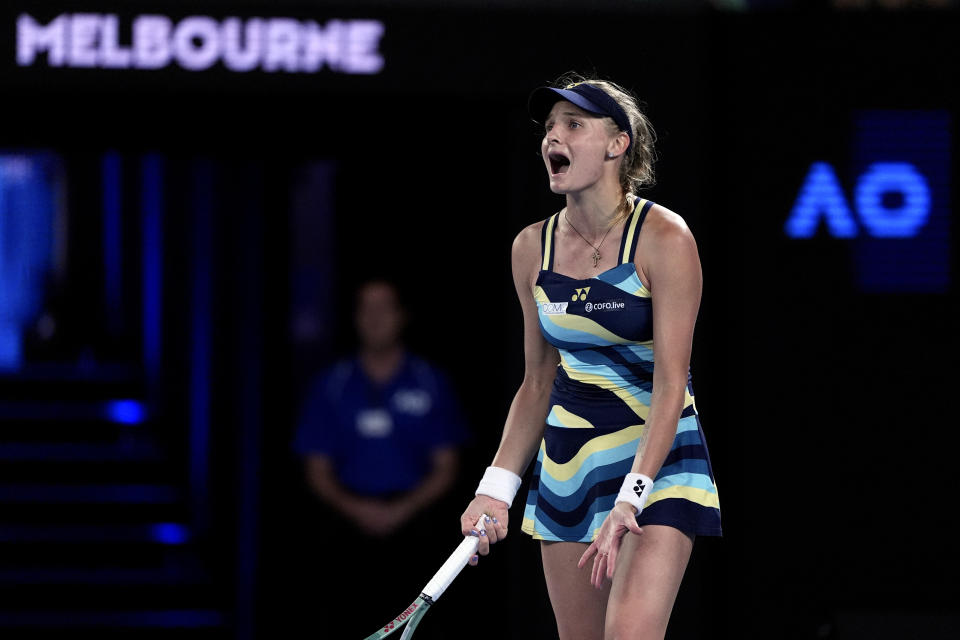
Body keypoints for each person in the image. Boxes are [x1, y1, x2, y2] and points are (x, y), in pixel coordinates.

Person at [460, 75, 721, 640]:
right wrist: (495, 488)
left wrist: (634, 493)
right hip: (571, 465)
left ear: (617, 144)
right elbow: (537, 381)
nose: (554, 137)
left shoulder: (664, 237)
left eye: (574, 125)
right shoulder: (532, 247)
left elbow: (674, 383)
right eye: (549, 128)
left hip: (660, 462)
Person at [295, 277, 467, 539]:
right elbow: (316, 469)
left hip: (416, 523)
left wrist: (402, 509)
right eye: (366, 309)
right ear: (355, 317)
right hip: (343, 524)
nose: (374, 318)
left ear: (402, 315)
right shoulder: (331, 384)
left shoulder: (431, 382)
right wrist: (357, 510)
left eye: (384, 308)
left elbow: (447, 466)